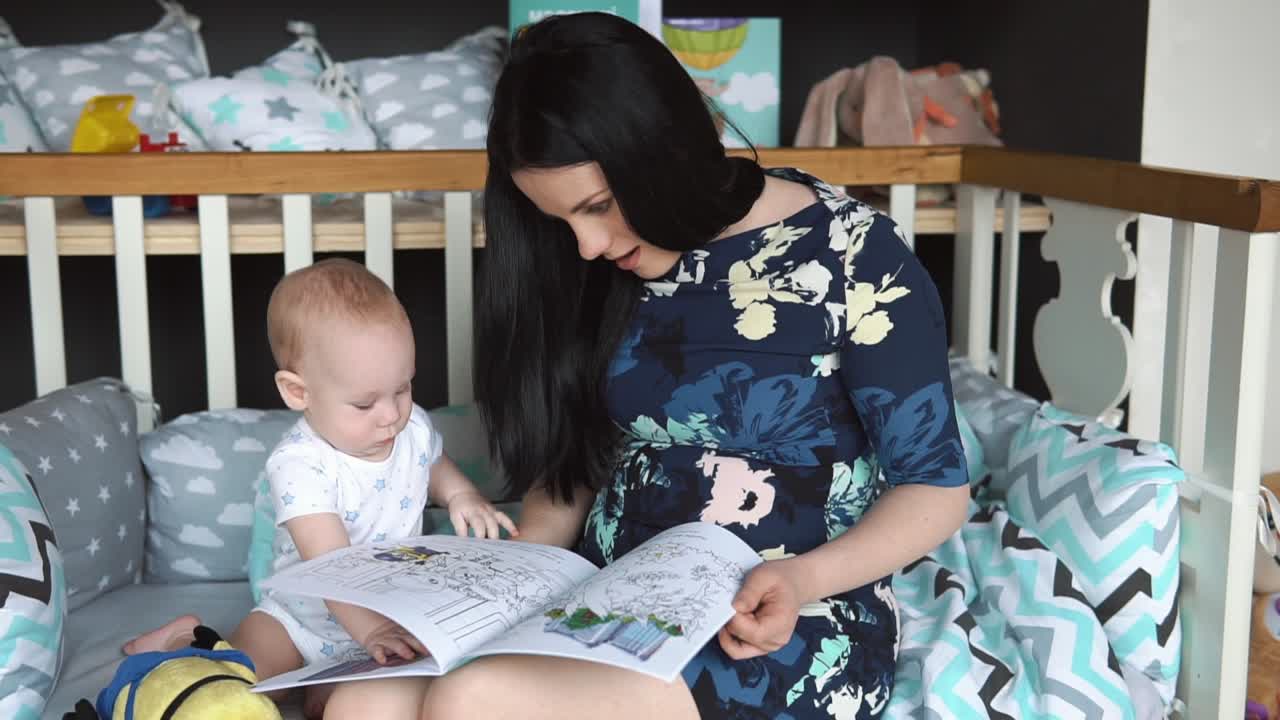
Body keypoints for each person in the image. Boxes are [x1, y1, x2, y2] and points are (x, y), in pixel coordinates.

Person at [322, 11, 970, 720]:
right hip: (605, 603)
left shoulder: (853, 257)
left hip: (775, 618)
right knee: (368, 701)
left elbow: (934, 491)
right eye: (562, 221)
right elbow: (574, 467)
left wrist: (800, 577)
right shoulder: (602, 266)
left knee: (476, 699)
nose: (589, 245)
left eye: (597, 207)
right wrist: (504, 590)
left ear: (660, 149)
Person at [123, 259, 516, 715]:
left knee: (336, 705)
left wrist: (461, 495)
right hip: (298, 618)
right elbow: (332, 564)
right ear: (298, 393)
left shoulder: (411, 428)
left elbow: (432, 460)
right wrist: (369, 633)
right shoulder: (300, 465)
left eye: (403, 388)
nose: (391, 414)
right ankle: (182, 640)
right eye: (365, 402)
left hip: (387, 613)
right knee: (237, 682)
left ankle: (323, 685)